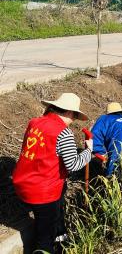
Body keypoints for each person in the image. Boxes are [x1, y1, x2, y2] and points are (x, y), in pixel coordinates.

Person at [12, 93, 92, 254]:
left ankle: (61, 236)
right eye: (75, 116)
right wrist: (89, 151)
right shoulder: (64, 133)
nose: (73, 120)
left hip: (23, 184)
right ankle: (46, 247)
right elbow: (73, 165)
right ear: (69, 112)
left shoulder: (34, 122)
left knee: (57, 201)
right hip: (43, 192)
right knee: (44, 238)